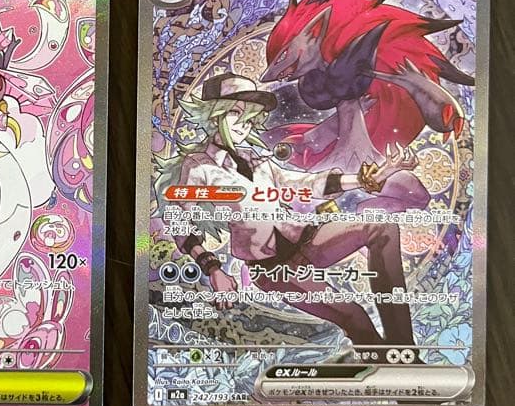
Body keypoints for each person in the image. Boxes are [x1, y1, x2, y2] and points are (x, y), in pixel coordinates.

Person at [157, 75, 429, 346]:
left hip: (308, 240)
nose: (243, 125)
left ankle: (404, 347)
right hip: (272, 267)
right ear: (213, 114)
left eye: (250, 118)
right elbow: (178, 218)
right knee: (354, 317)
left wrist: (367, 178)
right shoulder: (199, 167)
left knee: (381, 228)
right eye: (235, 113)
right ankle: (382, 358)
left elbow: (304, 183)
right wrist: (212, 267)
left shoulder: (257, 159)